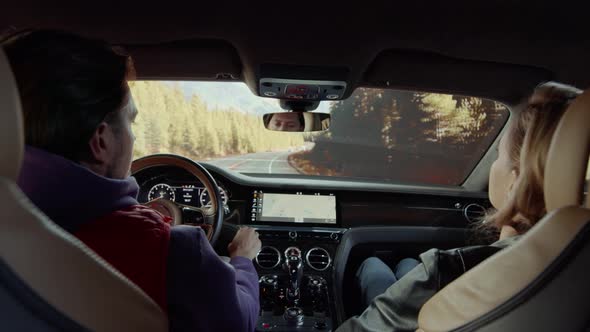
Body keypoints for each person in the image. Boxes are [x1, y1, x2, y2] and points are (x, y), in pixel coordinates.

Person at [3, 30, 261, 332]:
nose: (134, 136)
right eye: (130, 122)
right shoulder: (174, 252)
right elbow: (238, 322)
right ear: (101, 141)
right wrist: (242, 260)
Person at [337, 82, 582, 332]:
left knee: (373, 268)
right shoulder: (577, 266)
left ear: (516, 181)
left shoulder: (444, 271)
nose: (494, 167)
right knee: (407, 266)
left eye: (498, 154)